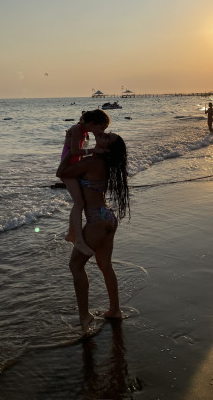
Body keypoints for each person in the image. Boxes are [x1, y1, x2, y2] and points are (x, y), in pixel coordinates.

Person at [56, 132, 130, 332]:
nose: (103, 135)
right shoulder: (105, 163)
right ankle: (114, 310)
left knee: (75, 265)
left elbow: (61, 171)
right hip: (107, 217)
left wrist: (71, 148)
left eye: (107, 137)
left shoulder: (92, 162)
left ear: (107, 148)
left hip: (97, 220)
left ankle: (85, 315)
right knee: (105, 266)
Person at [60, 109, 110, 257]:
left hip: (75, 168)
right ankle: (78, 240)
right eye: (101, 128)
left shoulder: (83, 131)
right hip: (67, 169)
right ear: (93, 123)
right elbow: (75, 151)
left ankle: (71, 234)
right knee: (79, 203)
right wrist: (94, 150)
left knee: (79, 202)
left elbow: (78, 152)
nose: (102, 132)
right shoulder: (77, 129)